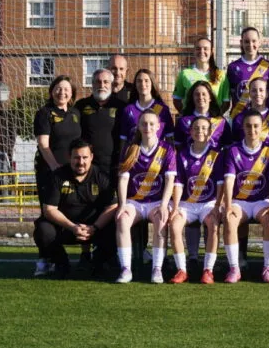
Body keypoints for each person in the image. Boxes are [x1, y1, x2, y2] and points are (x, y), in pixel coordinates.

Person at [33, 139, 118, 278]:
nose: (81, 162)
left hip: (93, 228)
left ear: (91, 157)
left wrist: (94, 227)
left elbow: (112, 206)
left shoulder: (101, 176)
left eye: (85, 157)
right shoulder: (57, 176)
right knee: (43, 230)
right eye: (76, 157)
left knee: (117, 223)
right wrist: (72, 227)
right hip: (66, 228)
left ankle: (99, 261)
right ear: (69, 157)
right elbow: (49, 209)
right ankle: (61, 262)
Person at [114, 110, 177, 284]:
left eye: (151, 124)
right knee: (122, 220)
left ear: (158, 127)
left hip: (157, 201)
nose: (147, 127)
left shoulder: (167, 149)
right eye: (144, 123)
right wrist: (122, 204)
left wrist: (164, 205)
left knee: (161, 220)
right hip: (134, 202)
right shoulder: (130, 149)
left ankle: (157, 268)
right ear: (139, 126)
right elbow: (123, 179)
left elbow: (170, 180)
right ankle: (125, 268)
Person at [221, 109, 269, 283]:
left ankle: (268, 268)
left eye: (256, 126)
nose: (252, 130)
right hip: (239, 201)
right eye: (248, 126)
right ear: (243, 127)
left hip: (262, 201)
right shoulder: (233, 151)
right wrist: (228, 205)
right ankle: (234, 268)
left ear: (262, 127)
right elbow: (229, 181)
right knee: (230, 220)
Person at [169, 116, 224, 284]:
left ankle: (208, 270)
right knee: (174, 225)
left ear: (210, 132)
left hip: (209, 203)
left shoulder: (216, 154)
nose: (200, 131)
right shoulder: (182, 154)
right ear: (190, 131)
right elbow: (178, 184)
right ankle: (181, 270)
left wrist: (217, 205)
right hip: (187, 204)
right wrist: (176, 207)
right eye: (196, 128)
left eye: (204, 128)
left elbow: (221, 184)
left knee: (213, 224)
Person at [34, 75, 81, 217]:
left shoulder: (76, 113)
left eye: (66, 89)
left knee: (70, 209)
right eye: (58, 88)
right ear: (51, 91)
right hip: (51, 171)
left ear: (72, 93)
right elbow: (43, 144)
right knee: (51, 210)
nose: (62, 92)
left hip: (72, 170)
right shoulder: (44, 113)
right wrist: (55, 167)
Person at [74, 69, 126, 178]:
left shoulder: (121, 107)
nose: (102, 85)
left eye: (106, 82)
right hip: (87, 166)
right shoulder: (80, 105)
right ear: (92, 84)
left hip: (113, 166)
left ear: (111, 84)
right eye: (98, 82)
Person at [227, 27, 269, 120]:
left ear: (259, 42)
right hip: (239, 118)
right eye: (246, 41)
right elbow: (232, 95)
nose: (250, 44)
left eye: (254, 41)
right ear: (241, 43)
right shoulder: (233, 67)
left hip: (262, 118)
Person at [172, 36, 230, 113]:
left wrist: (216, 116)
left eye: (205, 49)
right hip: (192, 119)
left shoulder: (220, 75)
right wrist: (187, 115)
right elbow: (177, 99)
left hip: (213, 119)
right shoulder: (184, 74)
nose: (202, 51)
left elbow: (226, 102)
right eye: (198, 49)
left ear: (211, 51)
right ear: (194, 51)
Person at [118, 69, 174, 145]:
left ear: (152, 83)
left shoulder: (162, 109)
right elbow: (123, 140)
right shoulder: (128, 110)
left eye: (146, 81)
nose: (142, 84)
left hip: (157, 152)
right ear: (135, 85)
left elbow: (170, 138)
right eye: (139, 81)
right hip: (135, 151)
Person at [174, 80, 231, 150]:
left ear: (210, 98)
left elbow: (227, 147)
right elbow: (178, 146)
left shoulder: (221, 122)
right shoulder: (183, 121)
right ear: (192, 98)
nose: (200, 97)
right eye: (197, 94)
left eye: (204, 94)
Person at [230, 77, 269, 148]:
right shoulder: (239, 118)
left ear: (267, 93)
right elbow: (235, 146)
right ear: (249, 93)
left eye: (261, 90)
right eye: (254, 90)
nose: (258, 93)